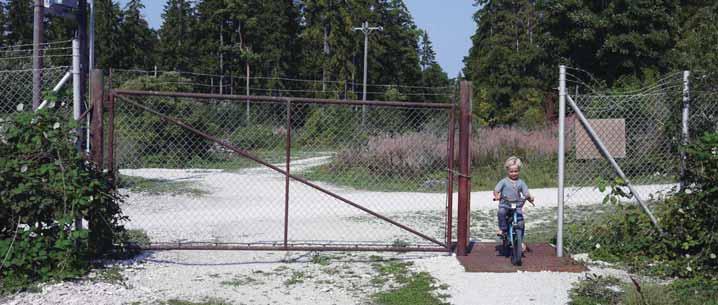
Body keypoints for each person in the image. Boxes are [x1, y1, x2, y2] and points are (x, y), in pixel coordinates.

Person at [493, 156, 535, 252]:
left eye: (516, 171)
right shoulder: (504, 182)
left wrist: (529, 197)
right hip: (505, 204)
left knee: (521, 222)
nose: (514, 173)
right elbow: (496, 190)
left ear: (519, 171)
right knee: (501, 212)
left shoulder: (521, 183)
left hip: (517, 205)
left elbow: (525, 192)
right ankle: (503, 230)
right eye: (511, 171)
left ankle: (520, 241)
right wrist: (497, 196)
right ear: (507, 171)